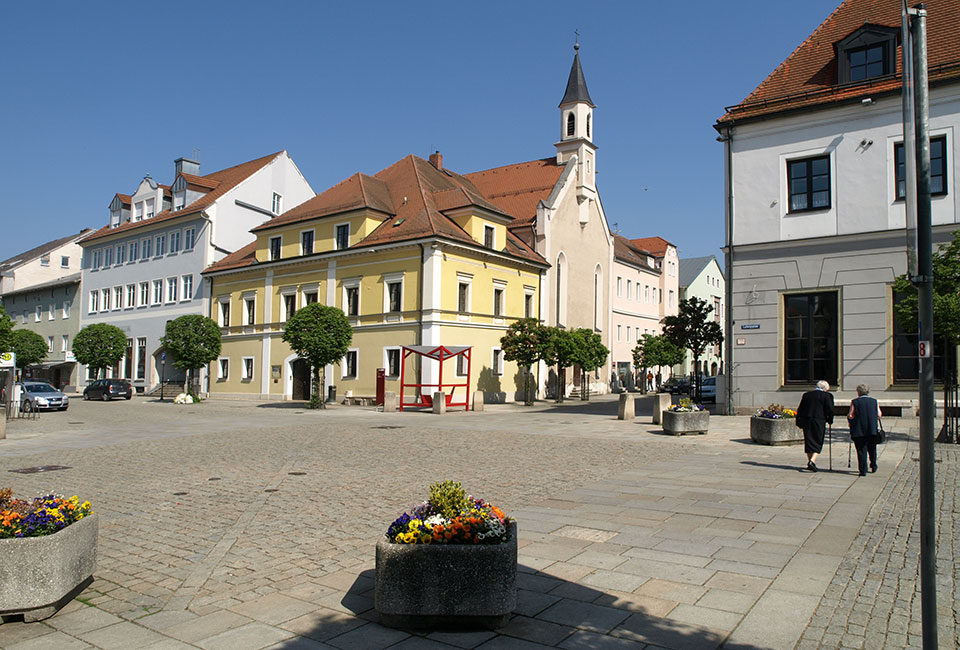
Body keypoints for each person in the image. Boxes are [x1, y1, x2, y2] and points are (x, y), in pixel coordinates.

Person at [795, 380, 835, 472]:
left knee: (809, 440)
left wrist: (798, 421)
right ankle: (812, 461)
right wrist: (830, 420)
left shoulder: (807, 395)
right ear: (825, 388)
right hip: (819, 420)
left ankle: (810, 461)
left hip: (807, 420)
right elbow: (830, 409)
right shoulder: (827, 396)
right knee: (818, 440)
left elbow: (800, 408)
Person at [848, 384, 882, 477]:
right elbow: (879, 414)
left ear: (858, 392)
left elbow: (850, 415)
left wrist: (851, 421)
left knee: (861, 450)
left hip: (859, 430)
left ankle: (863, 470)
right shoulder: (874, 401)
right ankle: (873, 465)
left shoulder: (855, 402)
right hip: (871, 429)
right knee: (872, 448)